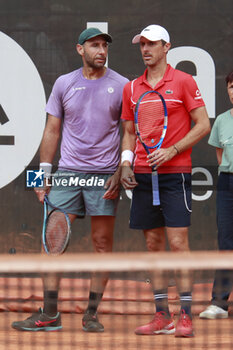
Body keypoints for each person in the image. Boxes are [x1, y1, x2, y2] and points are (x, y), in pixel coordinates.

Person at [12, 27, 128, 332]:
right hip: (66, 174)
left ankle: (91, 313)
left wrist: (120, 169)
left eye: (104, 45)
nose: (101, 50)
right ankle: (49, 313)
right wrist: (42, 177)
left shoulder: (122, 85)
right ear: (80, 50)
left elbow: (129, 132)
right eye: (94, 45)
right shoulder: (64, 83)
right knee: (51, 241)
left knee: (102, 243)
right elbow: (51, 130)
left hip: (104, 175)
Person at [120, 24, 210, 337]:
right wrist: (126, 164)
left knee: (177, 244)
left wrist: (172, 149)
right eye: (142, 44)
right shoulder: (131, 88)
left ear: (166, 47)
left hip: (175, 176)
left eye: (151, 44)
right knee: (153, 246)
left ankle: (185, 315)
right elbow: (130, 133)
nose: (145, 49)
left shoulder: (184, 82)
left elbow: (202, 125)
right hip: (143, 177)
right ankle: (163, 315)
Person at [199, 70, 233, 319]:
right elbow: (220, 156)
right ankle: (219, 304)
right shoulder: (222, 120)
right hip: (227, 185)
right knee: (226, 244)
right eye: (232, 86)